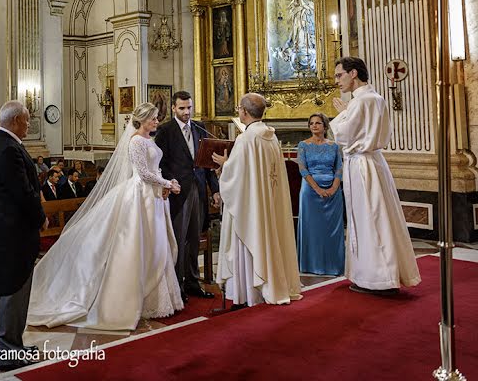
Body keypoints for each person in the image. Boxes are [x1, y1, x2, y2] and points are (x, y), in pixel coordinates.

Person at [25, 102, 184, 331]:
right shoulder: (137, 141)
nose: (157, 121)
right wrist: (167, 183)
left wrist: (166, 184)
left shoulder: (149, 140)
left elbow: (154, 171)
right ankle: (134, 300)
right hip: (140, 196)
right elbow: (143, 173)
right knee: (139, 246)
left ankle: (158, 300)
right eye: (154, 118)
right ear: (143, 120)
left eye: (157, 118)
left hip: (154, 196)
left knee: (156, 246)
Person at [330, 56, 420, 294]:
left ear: (353, 74)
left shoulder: (360, 102)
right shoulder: (376, 98)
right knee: (378, 216)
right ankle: (378, 274)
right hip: (374, 163)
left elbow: (345, 136)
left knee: (368, 219)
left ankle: (377, 278)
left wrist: (342, 115)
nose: (337, 80)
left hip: (361, 165)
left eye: (340, 75)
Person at [212, 93, 301, 307]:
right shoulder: (270, 135)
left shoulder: (246, 138)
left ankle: (247, 293)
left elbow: (237, 176)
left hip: (251, 206)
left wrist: (225, 164)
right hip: (268, 201)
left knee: (249, 239)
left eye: (238, 108)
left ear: (243, 111)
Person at [0, 101, 48, 371]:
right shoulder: (7, 148)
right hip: (14, 227)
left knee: (20, 285)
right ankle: (8, 350)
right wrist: (40, 217)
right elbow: (22, 192)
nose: (28, 125)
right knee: (14, 286)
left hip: (13, 226)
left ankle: (15, 344)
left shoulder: (6, 144)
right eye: (25, 121)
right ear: (14, 121)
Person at [154, 90, 219, 301]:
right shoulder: (165, 131)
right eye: (181, 108)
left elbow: (208, 162)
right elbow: (160, 163)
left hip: (198, 188)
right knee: (179, 239)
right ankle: (177, 285)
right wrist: (170, 182)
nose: (186, 112)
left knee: (193, 237)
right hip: (177, 192)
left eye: (189, 107)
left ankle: (193, 282)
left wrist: (215, 189)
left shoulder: (199, 127)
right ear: (173, 108)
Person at [296, 113, 345, 276]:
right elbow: (303, 169)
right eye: (311, 123)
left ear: (325, 126)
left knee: (332, 229)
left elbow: (339, 168)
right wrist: (317, 189)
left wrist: (333, 188)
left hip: (333, 191)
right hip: (310, 192)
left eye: (318, 123)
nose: (314, 126)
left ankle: (334, 264)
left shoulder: (335, 146)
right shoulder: (303, 145)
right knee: (312, 228)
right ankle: (311, 264)